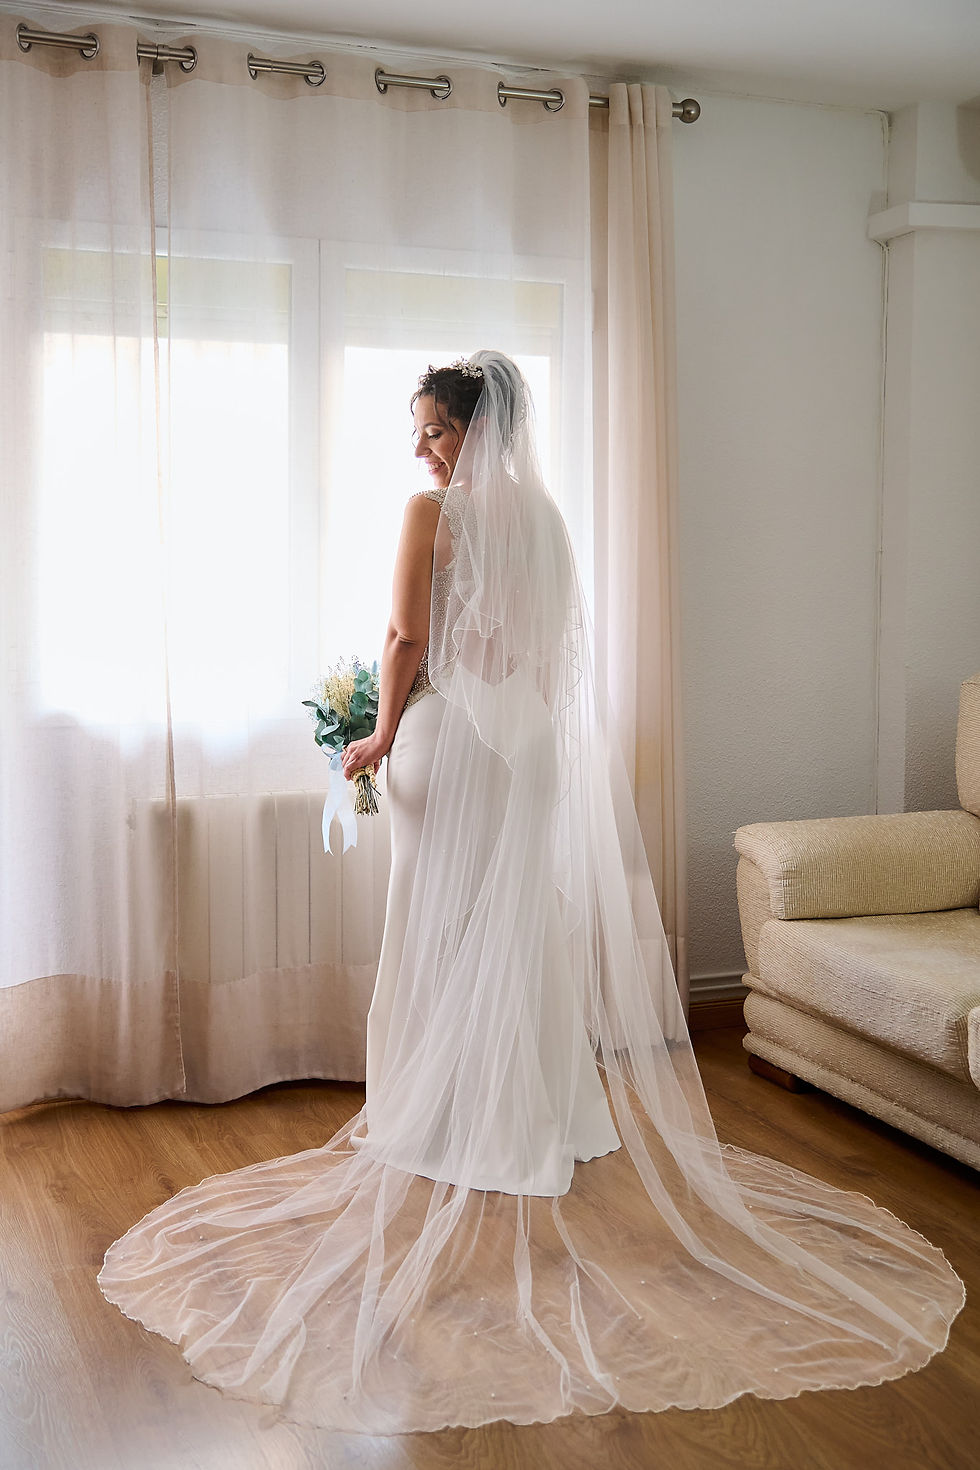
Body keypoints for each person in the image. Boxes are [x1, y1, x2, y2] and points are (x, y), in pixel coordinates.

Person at [99, 351, 963, 1435]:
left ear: (474, 426)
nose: (420, 447)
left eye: (433, 428)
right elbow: (551, 659)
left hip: (453, 740)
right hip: (525, 753)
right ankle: (533, 1103)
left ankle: (447, 1107)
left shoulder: (431, 514)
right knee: (513, 923)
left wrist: (374, 732)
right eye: (418, 430)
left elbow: (407, 638)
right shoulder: (550, 522)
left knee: (438, 921)